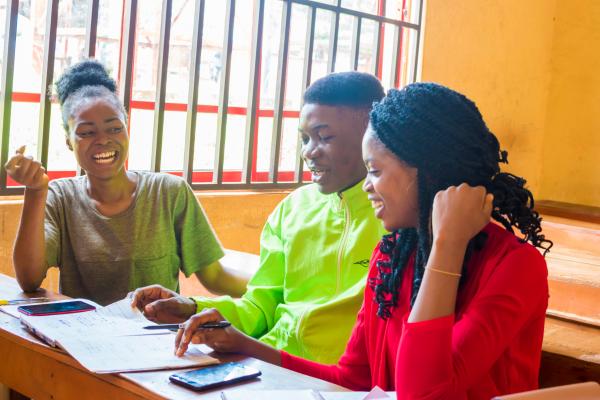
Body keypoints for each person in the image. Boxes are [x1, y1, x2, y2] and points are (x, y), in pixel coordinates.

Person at [173, 83, 553, 399]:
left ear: (428, 172)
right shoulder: (391, 256)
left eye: (375, 171)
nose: (367, 186)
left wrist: (447, 246)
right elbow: (351, 380)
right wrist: (244, 345)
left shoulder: (515, 267)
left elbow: (421, 394)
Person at [131, 71, 387, 363]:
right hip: (273, 365)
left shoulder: (394, 218)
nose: (309, 152)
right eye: (304, 139)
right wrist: (191, 307)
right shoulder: (292, 210)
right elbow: (260, 308)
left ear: (370, 135)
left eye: (324, 137)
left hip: (345, 381)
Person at [4, 60, 247, 305]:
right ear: (68, 140)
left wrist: (279, 288)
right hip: (83, 339)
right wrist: (35, 191)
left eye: (114, 129)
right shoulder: (59, 197)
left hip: (157, 339)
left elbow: (216, 277)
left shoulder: (170, 193)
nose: (103, 140)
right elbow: (29, 279)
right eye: (86, 132)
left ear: (127, 128)